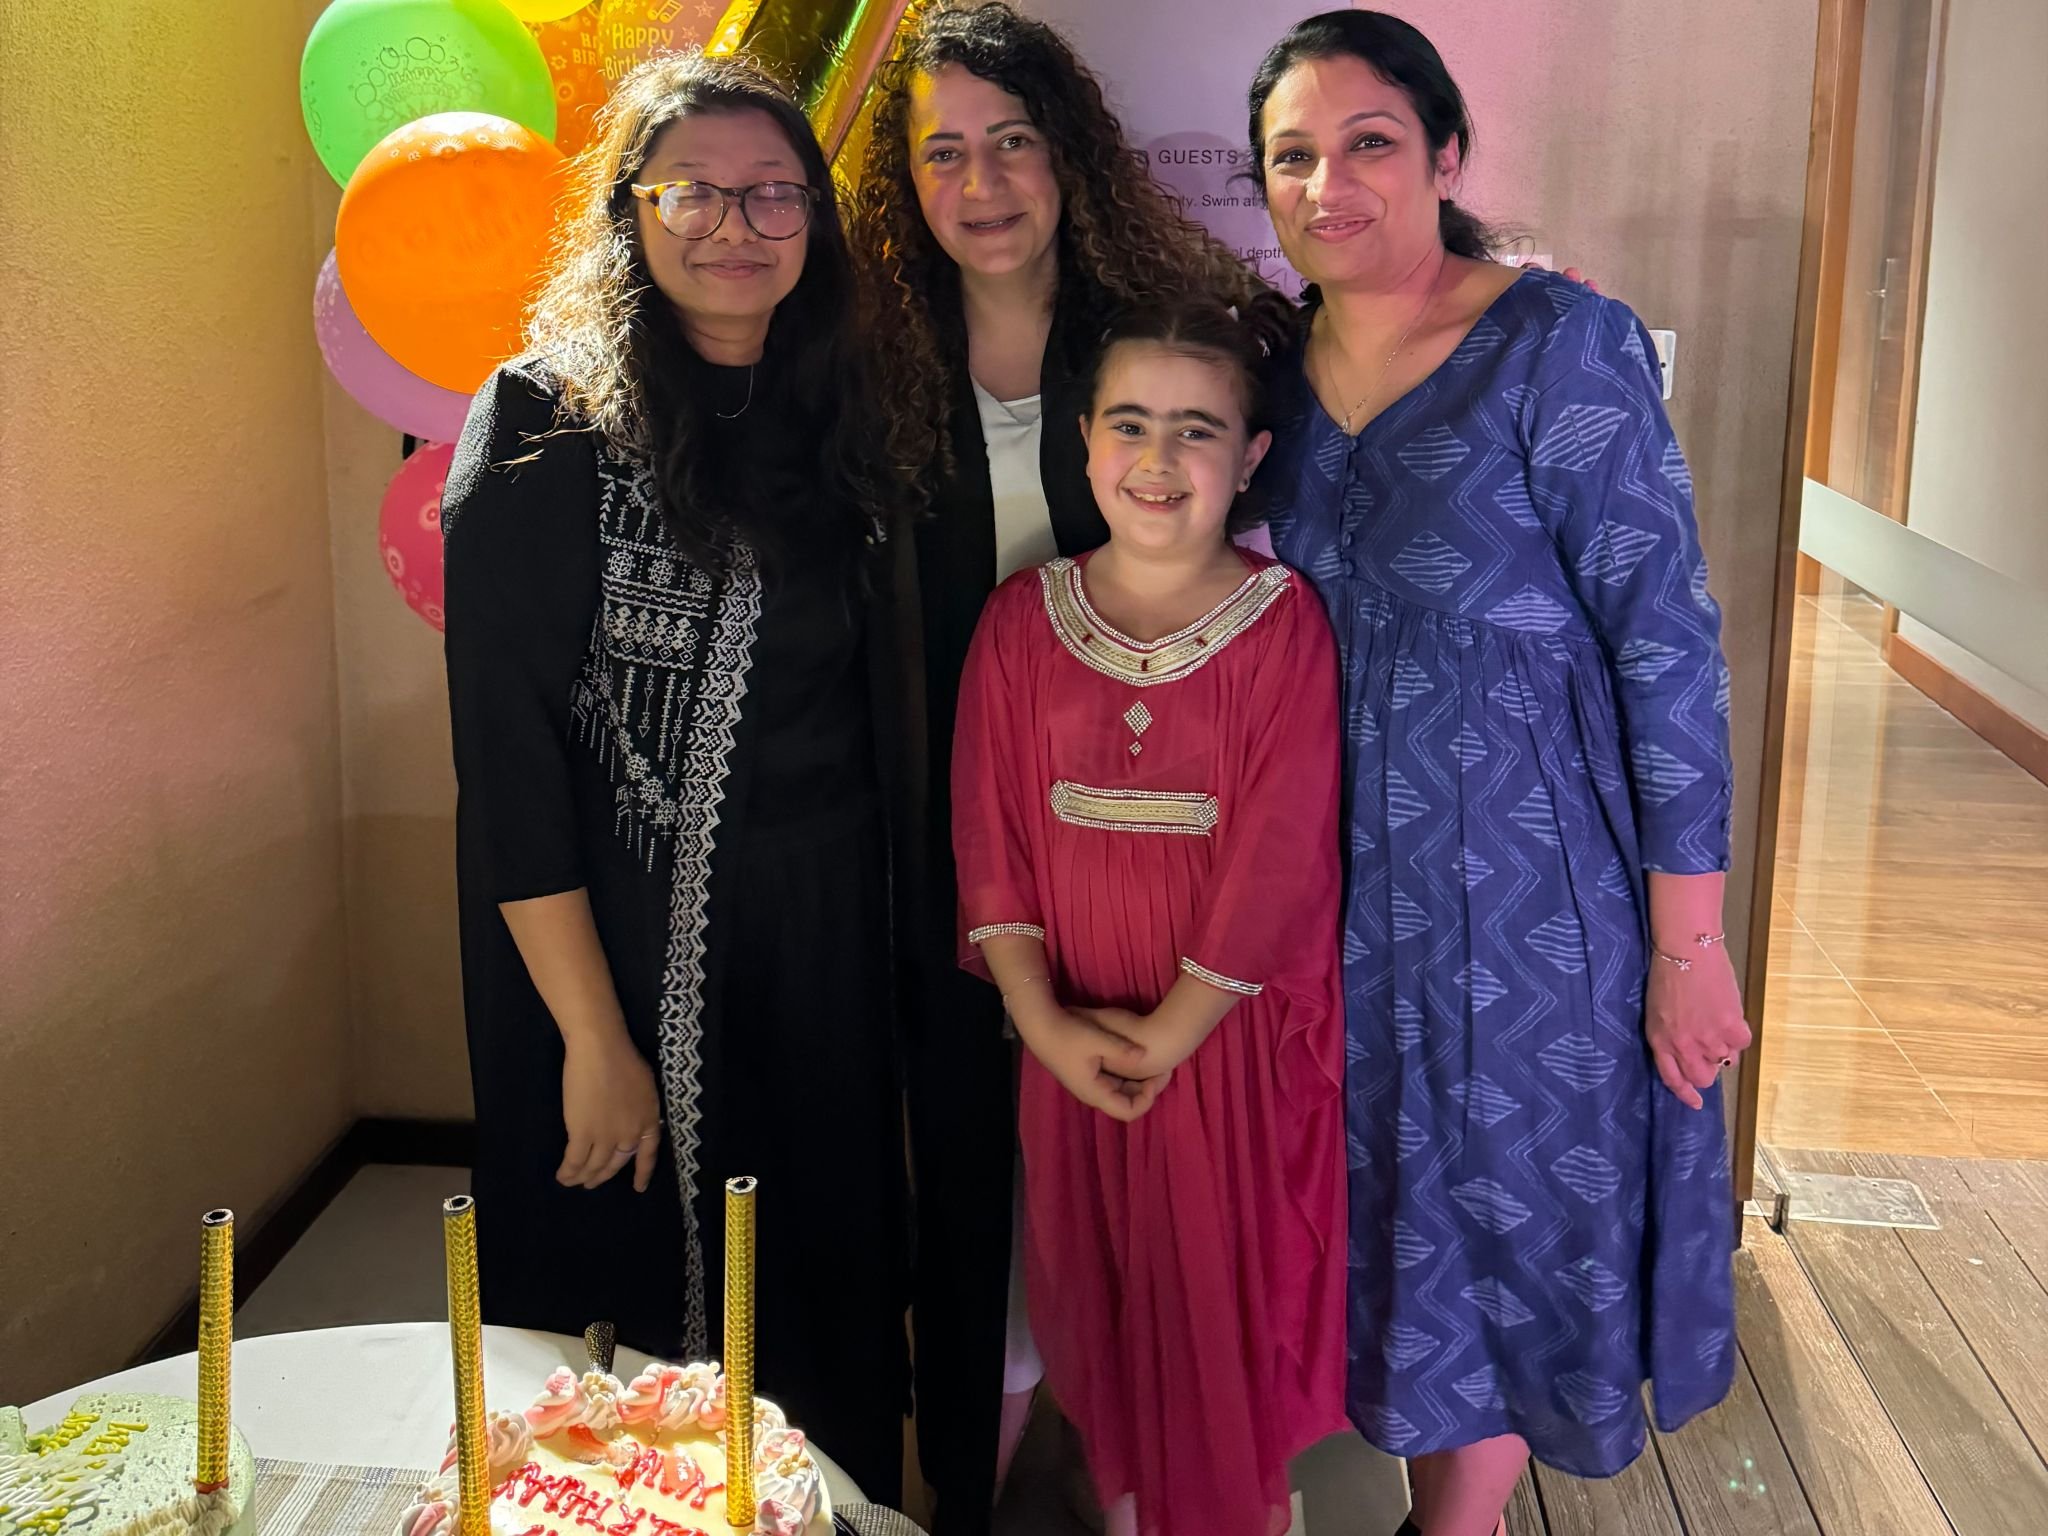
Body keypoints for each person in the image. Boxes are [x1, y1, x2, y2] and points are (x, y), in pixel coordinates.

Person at [1245, 14, 1753, 1535]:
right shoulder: (1264, 363)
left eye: (1370, 144)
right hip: (1334, 895)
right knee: (1395, 1219)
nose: (1327, 183)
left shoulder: (1556, 343)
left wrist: (1692, 943)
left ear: (1448, 155)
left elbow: (1668, 649)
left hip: (1531, 896)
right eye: (1292, 156)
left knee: (1510, 1216)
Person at [440, 52, 908, 1500]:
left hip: (821, 944)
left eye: (775, 192)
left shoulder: (849, 402)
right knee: (616, 1342)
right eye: (693, 190)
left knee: (814, 1292)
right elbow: (507, 763)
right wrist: (592, 1035)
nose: (736, 224)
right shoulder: (546, 420)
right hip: (613, 957)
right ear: (631, 210)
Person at [847, 5, 1270, 1525]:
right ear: (907, 177)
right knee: (968, 1165)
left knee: (1139, 1162)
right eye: (944, 150)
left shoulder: (1150, 328)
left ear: (1069, 152)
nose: (983, 181)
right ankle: (972, 1475)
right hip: (940, 827)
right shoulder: (867, 344)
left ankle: (1150, 1456)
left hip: (1143, 838)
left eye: (1013, 139)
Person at [951, 300, 1348, 1536]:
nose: (1158, 460)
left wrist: (1172, 1031)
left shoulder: (1286, 629)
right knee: (1103, 1321)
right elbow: (990, 842)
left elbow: (1281, 855)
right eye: (1129, 424)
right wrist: (1044, 1022)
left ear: (1250, 458)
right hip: (1070, 1059)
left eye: (1196, 430)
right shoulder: (1019, 622)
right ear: (1082, 444)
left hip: (1226, 1066)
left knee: (1228, 1319)